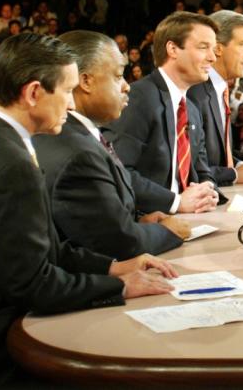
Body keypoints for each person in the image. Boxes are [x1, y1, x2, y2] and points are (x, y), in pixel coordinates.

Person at [0, 33, 176, 386]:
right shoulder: (10, 165)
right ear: (33, 93)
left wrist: (115, 266)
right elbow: (35, 285)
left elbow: (44, 250)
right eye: (66, 92)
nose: (72, 105)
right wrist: (118, 287)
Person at [34, 31, 190, 260]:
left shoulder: (81, 135)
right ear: (85, 81)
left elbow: (96, 223)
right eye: (118, 76)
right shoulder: (77, 152)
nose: (127, 86)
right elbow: (118, 243)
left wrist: (138, 222)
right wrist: (165, 232)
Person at [105, 12, 222, 216]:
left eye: (213, 49)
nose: (212, 57)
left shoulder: (192, 110)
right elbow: (119, 172)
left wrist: (207, 191)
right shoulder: (139, 98)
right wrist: (176, 202)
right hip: (146, 225)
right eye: (204, 47)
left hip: (190, 220)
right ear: (173, 49)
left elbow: (202, 171)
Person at [188, 10, 243, 187]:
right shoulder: (194, 93)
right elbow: (187, 169)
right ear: (218, 48)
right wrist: (234, 174)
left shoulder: (219, 89)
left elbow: (216, 156)